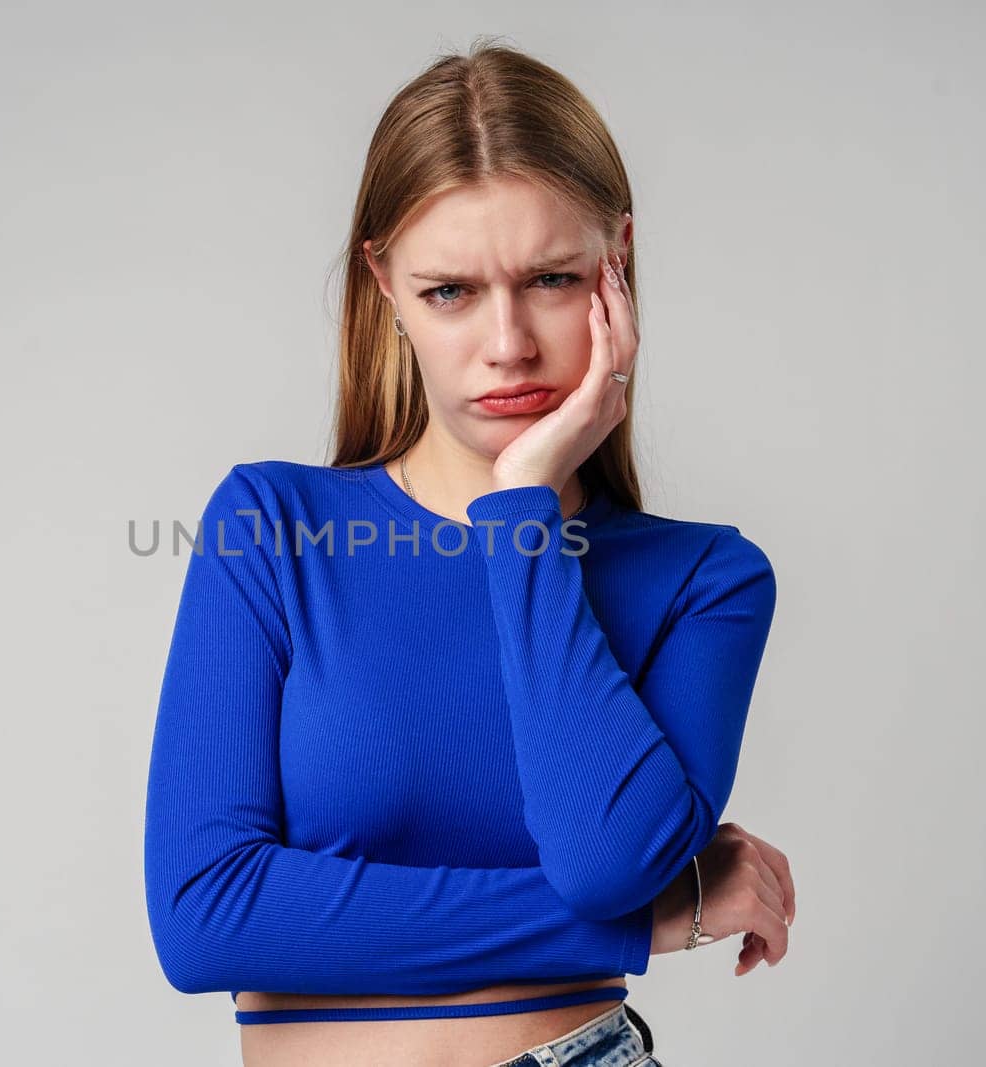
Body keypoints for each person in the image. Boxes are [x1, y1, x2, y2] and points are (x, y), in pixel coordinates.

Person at [143, 37, 797, 1067]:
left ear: (615, 264)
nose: (509, 343)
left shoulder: (702, 581)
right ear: (385, 286)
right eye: (450, 290)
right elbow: (206, 915)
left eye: (550, 278)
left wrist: (520, 512)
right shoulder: (274, 526)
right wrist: (643, 923)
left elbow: (602, 857)